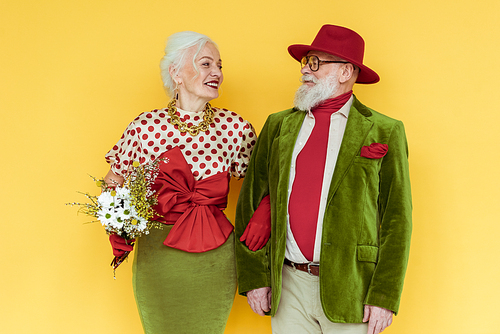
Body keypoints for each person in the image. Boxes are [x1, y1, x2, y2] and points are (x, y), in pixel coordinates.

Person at [235, 24, 412, 334]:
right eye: (306, 62)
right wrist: (255, 279)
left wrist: (384, 296)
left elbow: (398, 220)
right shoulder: (278, 125)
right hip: (288, 284)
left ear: (345, 72)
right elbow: (251, 201)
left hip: (350, 288)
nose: (306, 70)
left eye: (316, 63)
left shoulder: (385, 131)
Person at [104, 31, 269, 334]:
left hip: (216, 257)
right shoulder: (145, 126)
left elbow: (262, 186)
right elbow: (114, 181)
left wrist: (263, 221)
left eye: (219, 66)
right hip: (158, 256)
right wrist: (120, 222)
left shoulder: (235, 127)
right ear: (176, 73)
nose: (217, 73)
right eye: (206, 64)